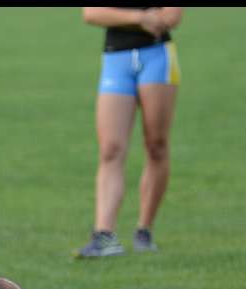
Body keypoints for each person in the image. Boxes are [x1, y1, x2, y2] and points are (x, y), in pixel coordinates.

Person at [77, 7, 183, 258]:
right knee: (110, 149)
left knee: (156, 146)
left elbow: (171, 18)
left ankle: (144, 230)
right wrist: (141, 18)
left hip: (157, 56)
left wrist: (118, 17)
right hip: (115, 58)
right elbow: (92, 14)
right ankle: (105, 236)